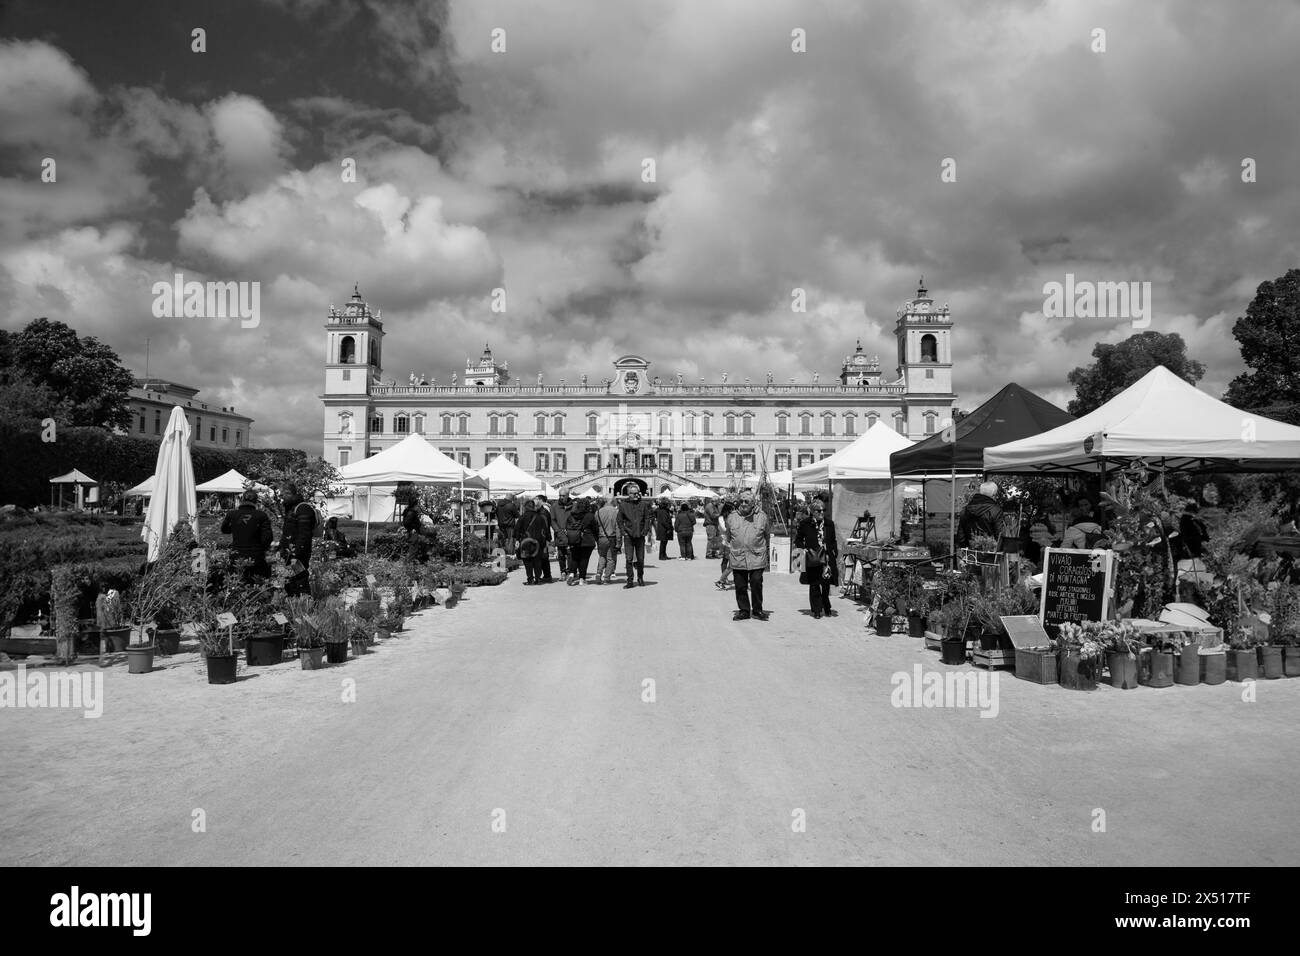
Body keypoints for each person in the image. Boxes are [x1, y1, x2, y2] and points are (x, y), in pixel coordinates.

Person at [726, 492, 770, 620]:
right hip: (738, 556)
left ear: (753, 503)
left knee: (756, 582)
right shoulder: (732, 517)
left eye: (746, 501)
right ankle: (744, 610)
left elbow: (767, 535)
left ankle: (757, 610)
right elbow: (728, 536)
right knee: (740, 585)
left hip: (757, 556)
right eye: (741, 501)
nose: (743, 504)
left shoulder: (762, 517)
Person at [795, 499, 839, 618]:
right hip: (812, 557)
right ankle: (816, 610)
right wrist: (803, 548)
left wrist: (834, 551)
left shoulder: (829, 524)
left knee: (826, 583)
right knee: (814, 584)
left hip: (827, 558)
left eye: (823, 510)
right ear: (812, 511)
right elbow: (798, 539)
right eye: (819, 510)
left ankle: (826, 605)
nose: (821, 512)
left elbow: (833, 540)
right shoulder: (805, 523)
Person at [221, 488, 273, 580]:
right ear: (256, 501)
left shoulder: (232, 514)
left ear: (242, 500)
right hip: (256, 556)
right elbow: (268, 538)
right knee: (257, 584)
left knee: (237, 582)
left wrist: (237, 527)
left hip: (236, 555)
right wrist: (261, 549)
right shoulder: (261, 515)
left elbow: (224, 529)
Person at [278, 483, 317, 596]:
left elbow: (304, 534)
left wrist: (296, 554)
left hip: (298, 554)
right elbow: (288, 532)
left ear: (290, 493)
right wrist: (281, 548)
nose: (282, 497)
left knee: (300, 581)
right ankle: (293, 607)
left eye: (284, 495)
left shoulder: (302, 508)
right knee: (290, 582)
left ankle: (305, 607)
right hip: (289, 553)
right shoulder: (291, 508)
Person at [617, 485, 653, 588]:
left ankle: (640, 578)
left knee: (640, 558)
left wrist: (645, 530)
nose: (637, 494)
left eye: (637, 492)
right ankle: (630, 580)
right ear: (629, 494)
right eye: (634, 493)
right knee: (629, 559)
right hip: (628, 535)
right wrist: (623, 532)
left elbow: (647, 518)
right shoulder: (623, 505)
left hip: (640, 535)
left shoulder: (643, 505)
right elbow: (619, 520)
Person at [957, 481, 1003, 547]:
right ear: (993, 494)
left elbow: (961, 536)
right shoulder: (995, 510)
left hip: (970, 552)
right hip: (990, 553)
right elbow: (999, 535)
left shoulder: (966, 509)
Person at [564, 498, 599, 584]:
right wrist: (597, 539)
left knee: (575, 557)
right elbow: (595, 529)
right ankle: (581, 579)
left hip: (574, 539)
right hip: (587, 540)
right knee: (584, 559)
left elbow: (566, 527)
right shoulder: (590, 515)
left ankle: (572, 573)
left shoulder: (571, 515)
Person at [517, 499, 551, 585]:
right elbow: (546, 530)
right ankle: (538, 579)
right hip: (538, 542)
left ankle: (530, 579)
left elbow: (517, 530)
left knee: (527, 561)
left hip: (526, 542)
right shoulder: (540, 517)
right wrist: (547, 540)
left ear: (525, 507)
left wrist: (517, 539)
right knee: (537, 561)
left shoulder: (522, 517)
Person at [594, 496, 621, 584]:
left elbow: (596, 526)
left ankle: (598, 573)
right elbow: (618, 528)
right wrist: (619, 541)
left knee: (602, 556)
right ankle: (606, 578)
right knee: (610, 559)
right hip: (611, 537)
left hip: (601, 537)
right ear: (613, 502)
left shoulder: (598, 512)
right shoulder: (616, 512)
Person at [550, 490, 575, 578]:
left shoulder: (574, 506)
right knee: (561, 554)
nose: (561, 497)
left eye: (563, 495)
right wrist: (558, 530)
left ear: (567, 495)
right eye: (560, 495)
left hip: (570, 534)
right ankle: (563, 571)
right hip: (559, 534)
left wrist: (571, 529)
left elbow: (576, 518)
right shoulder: (554, 506)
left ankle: (570, 571)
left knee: (570, 554)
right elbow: (552, 520)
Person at [533, 494, 555, 582]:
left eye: (536, 499)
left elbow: (545, 526)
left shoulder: (543, 512)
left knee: (543, 557)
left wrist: (546, 538)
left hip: (543, 537)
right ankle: (546, 575)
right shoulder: (542, 511)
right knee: (543, 557)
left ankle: (547, 575)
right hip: (543, 536)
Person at [715, 500, 735, 590]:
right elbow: (724, 528)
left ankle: (722, 580)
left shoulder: (731, 517)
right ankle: (723, 579)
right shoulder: (722, 518)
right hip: (726, 541)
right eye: (732, 508)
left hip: (730, 541)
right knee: (728, 562)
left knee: (731, 563)